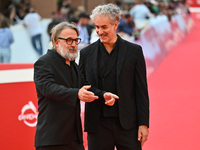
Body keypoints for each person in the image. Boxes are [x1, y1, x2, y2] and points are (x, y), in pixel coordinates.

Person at [34, 22, 118, 150]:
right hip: (52, 139)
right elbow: (48, 88)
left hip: (75, 138)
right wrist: (76, 93)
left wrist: (102, 95)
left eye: (76, 40)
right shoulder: (44, 62)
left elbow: (85, 86)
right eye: (69, 40)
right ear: (56, 42)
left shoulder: (73, 65)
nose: (73, 44)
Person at [79, 3, 149, 150]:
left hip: (127, 124)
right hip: (97, 125)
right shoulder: (86, 53)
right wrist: (102, 95)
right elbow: (82, 83)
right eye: (97, 27)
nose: (99, 31)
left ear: (115, 25)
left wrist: (143, 124)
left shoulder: (134, 51)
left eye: (104, 27)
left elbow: (141, 90)